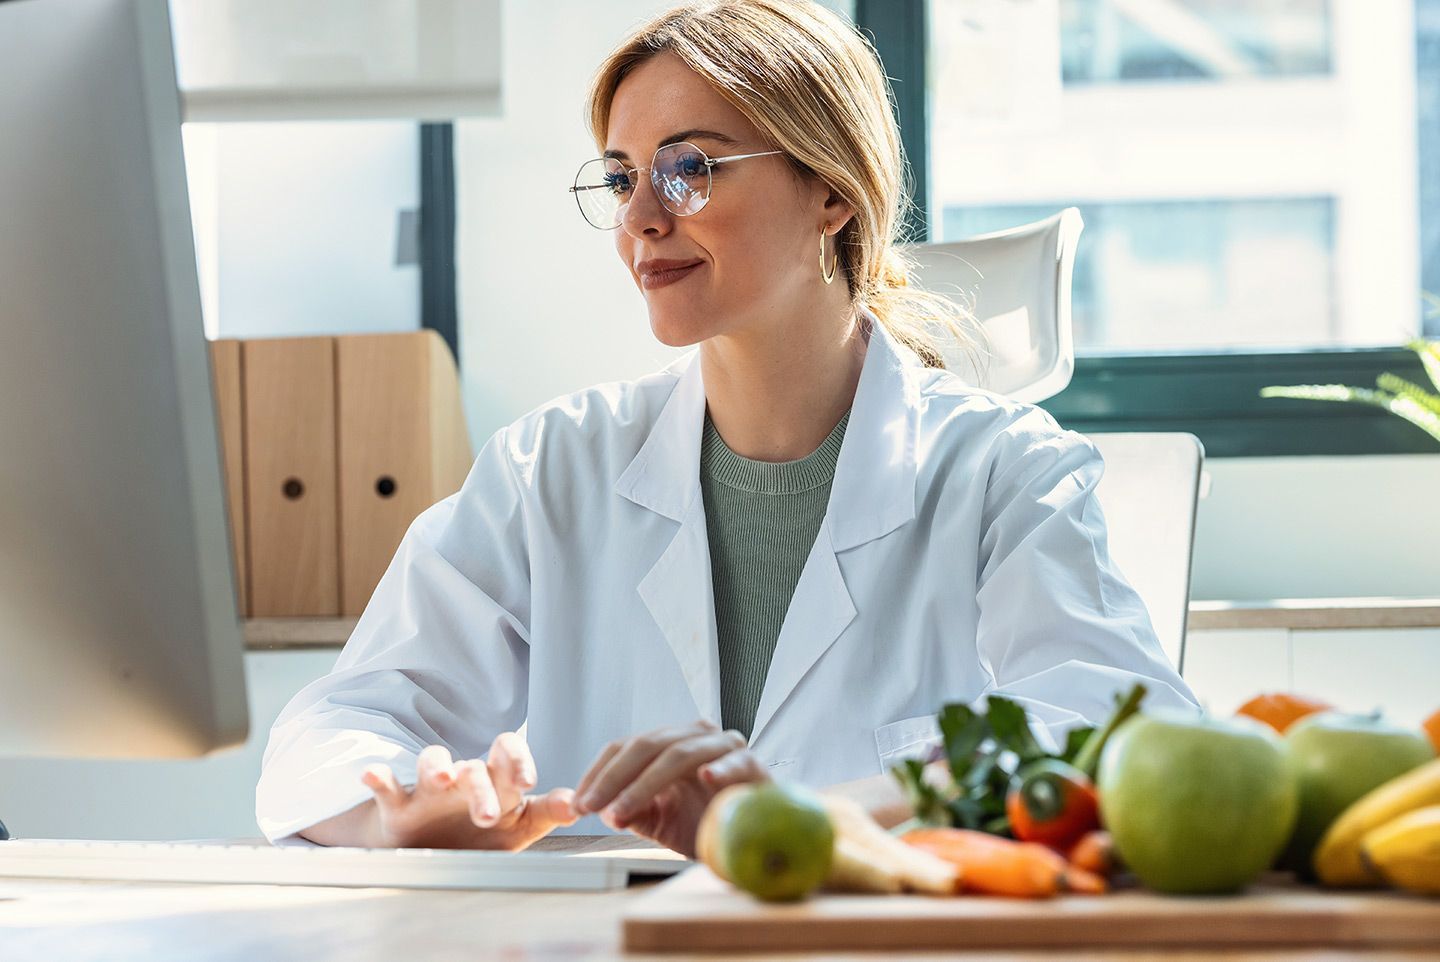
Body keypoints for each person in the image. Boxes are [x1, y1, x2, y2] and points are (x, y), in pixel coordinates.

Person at [255, 0, 1199, 856]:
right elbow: (337, 724)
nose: (640, 219)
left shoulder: (1001, 474)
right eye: (623, 178)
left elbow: (1124, 731)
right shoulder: (550, 470)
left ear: (833, 191)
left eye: (689, 169)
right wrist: (400, 812)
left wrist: (816, 821)